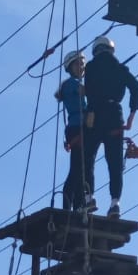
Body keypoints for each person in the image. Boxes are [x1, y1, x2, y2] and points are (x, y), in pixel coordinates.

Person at [84, 36, 138, 219]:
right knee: (114, 163)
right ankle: (115, 203)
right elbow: (135, 86)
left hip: (95, 116)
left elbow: (89, 92)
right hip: (115, 116)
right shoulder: (120, 69)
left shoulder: (91, 67)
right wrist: (132, 114)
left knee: (88, 158)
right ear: (111, 50)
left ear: (96, 51)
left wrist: (89, 110)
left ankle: (88, 197)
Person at [56, 51, 89, 213]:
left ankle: (78, 205)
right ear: (70, 68)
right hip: (77, 128)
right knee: (77, 168)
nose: (81, 66)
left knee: (82, 168)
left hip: (81, 128)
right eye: (78, 64)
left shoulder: (74, 84)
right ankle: (69, 206)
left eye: (82, 63)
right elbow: (87, 92)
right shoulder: (70, 84)